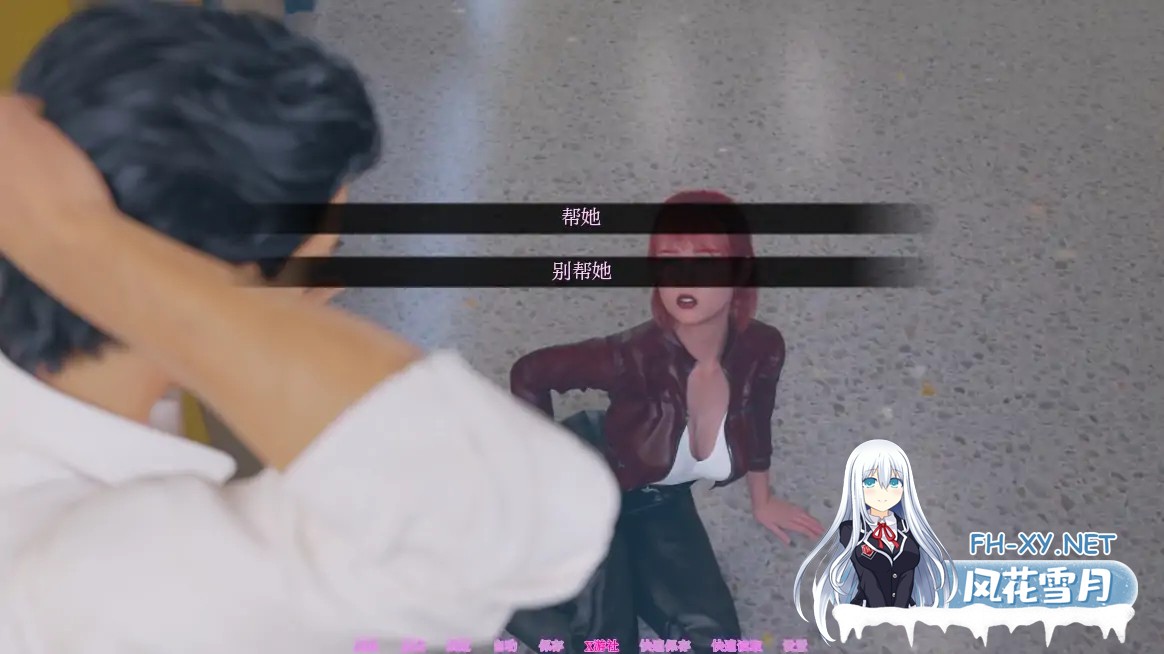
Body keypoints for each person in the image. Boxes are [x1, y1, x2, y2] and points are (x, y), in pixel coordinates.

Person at [0, 4, 618, 653]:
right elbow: (524, 520)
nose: (328, 288)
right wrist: (81, 237)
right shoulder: (87, 576)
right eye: (316, 260)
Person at [504, 192, 825, 653]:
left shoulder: (762, 348)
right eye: (670, 260)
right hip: (590, 488)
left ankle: (620, 567)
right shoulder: (631, 356)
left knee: (717, 641)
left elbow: (757, 418)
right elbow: (529, 374)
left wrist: (763, 499)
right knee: (605, 646)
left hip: (658, 500)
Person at [792, 439, 957, 644]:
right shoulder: (850, 530)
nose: (883, 493)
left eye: (894, 483)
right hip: (866, 616)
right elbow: (867, 576)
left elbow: (908, 574)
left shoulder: (911, 530)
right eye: (870, 482)